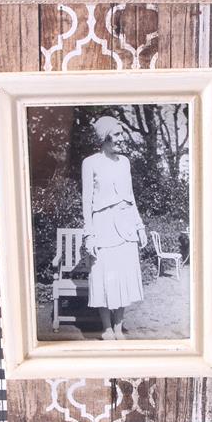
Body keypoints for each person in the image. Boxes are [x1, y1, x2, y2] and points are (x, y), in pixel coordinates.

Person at [81, 115, 147, 340]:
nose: (121, 138)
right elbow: (87, 201)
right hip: (102, 227)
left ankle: (119, 327)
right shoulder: (90, 163)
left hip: (126, 227)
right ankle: (107, 328)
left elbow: (131, 196)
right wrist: (89, 235)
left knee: (123, 276)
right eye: (117, 134)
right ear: (104, 136)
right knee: (103, 275)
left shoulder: (125, 162)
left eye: (122, 134)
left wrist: (139, 226)